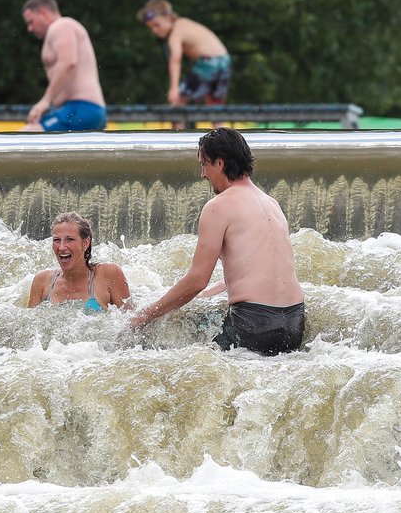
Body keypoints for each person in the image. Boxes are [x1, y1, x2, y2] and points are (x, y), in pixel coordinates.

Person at [130, 128, 305, 355]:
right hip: (294, 323)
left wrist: (145, 315)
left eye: (204, 164)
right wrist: (206, 296)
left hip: (253, 325)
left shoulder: (218, 206)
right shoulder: (271, 203)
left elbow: (197, 280)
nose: (203, 174)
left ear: (220, 163)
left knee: (179, 358)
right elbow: (255, 272)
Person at [136, 0, 231, 130]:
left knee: (176, 104)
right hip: (225, 61)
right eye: (151, 27)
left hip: (209, 63)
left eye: (157, 24)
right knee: (215, 111)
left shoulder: (176, 32)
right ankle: (225, 140)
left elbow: (175, 59)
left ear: (168, 17)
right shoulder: (185, 23)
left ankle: (176, 136)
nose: (155, 31)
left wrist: (174, 88)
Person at [20, 0, 106, 132]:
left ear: (43, 13)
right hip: (84, 109)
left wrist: (45, 101)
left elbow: (68, 63)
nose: (29, 28)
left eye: (31, 22)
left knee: (25, 138)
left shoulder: (61, 25)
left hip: (81, 108)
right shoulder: (63, 28)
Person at [28, 212, 131, 312]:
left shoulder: (108, 274)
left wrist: (146, 313)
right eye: (57, 240)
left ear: (85, 243)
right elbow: (27, 326)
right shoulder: (42, 281)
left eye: (70, 239)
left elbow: (130, 322)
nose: (62, 247)